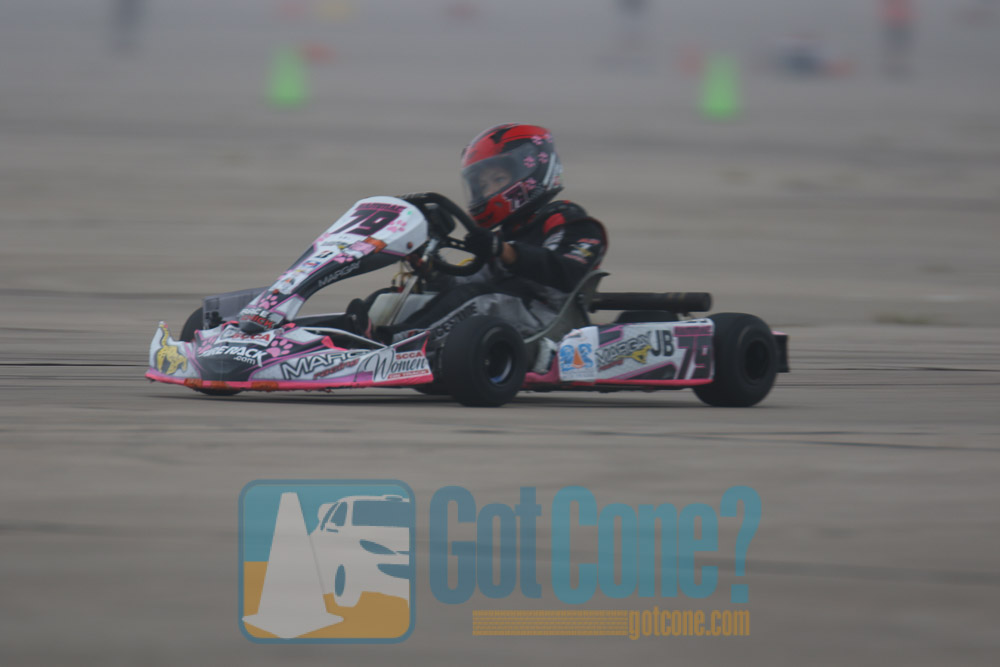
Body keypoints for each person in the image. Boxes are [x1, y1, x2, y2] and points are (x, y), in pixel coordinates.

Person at [356, 123, 608, 343]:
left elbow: (566, 273)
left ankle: (391, 343)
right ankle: (351, 335)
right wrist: (431, 270)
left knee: (475, 299)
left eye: (497, 180)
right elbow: (466, 284)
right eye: (483, 185)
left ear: (532, 172)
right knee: (391, 298)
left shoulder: (572, 223)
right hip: (501, 312)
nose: (487, 191)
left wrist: (506, 252)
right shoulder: (507, 235)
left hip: (548, 320)